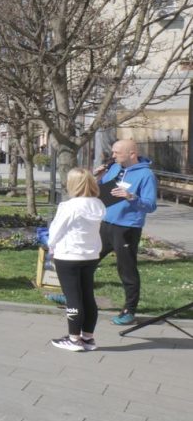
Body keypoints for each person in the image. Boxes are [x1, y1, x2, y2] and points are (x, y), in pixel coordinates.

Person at [95, 139, 158, 326]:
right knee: (86, 259)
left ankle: (129, 311)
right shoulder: (114, 168)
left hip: (127, 228)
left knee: (126, 270)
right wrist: (97, 177)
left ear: (131, 153)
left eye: (116, 153)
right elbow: (101, 191)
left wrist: (131, 197)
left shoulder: (146, 175)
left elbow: (151, 205)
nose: (112, 156)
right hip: (106, 223)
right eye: (112, 152)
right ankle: (72, 296)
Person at [47, 168, 107, 351]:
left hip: (69, 254)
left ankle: (74, 339)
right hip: (90, 254)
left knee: (73, 297)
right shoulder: (98, 204)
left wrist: (50, 245)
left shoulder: (68, 206)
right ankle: (88, 338)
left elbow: (56, 231)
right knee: (87, 295)